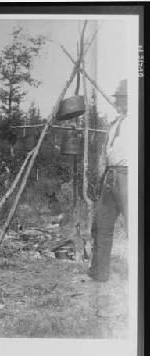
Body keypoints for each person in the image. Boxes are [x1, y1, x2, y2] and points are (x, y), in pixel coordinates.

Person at [88, 79, 128, 282]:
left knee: (135, 227)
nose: (120, 102)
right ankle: (100, 272)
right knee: (102, 226)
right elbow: (107, 153)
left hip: (129, 176)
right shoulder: (114, 123)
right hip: (110, 176)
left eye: (124, 98)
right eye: (119, 99)